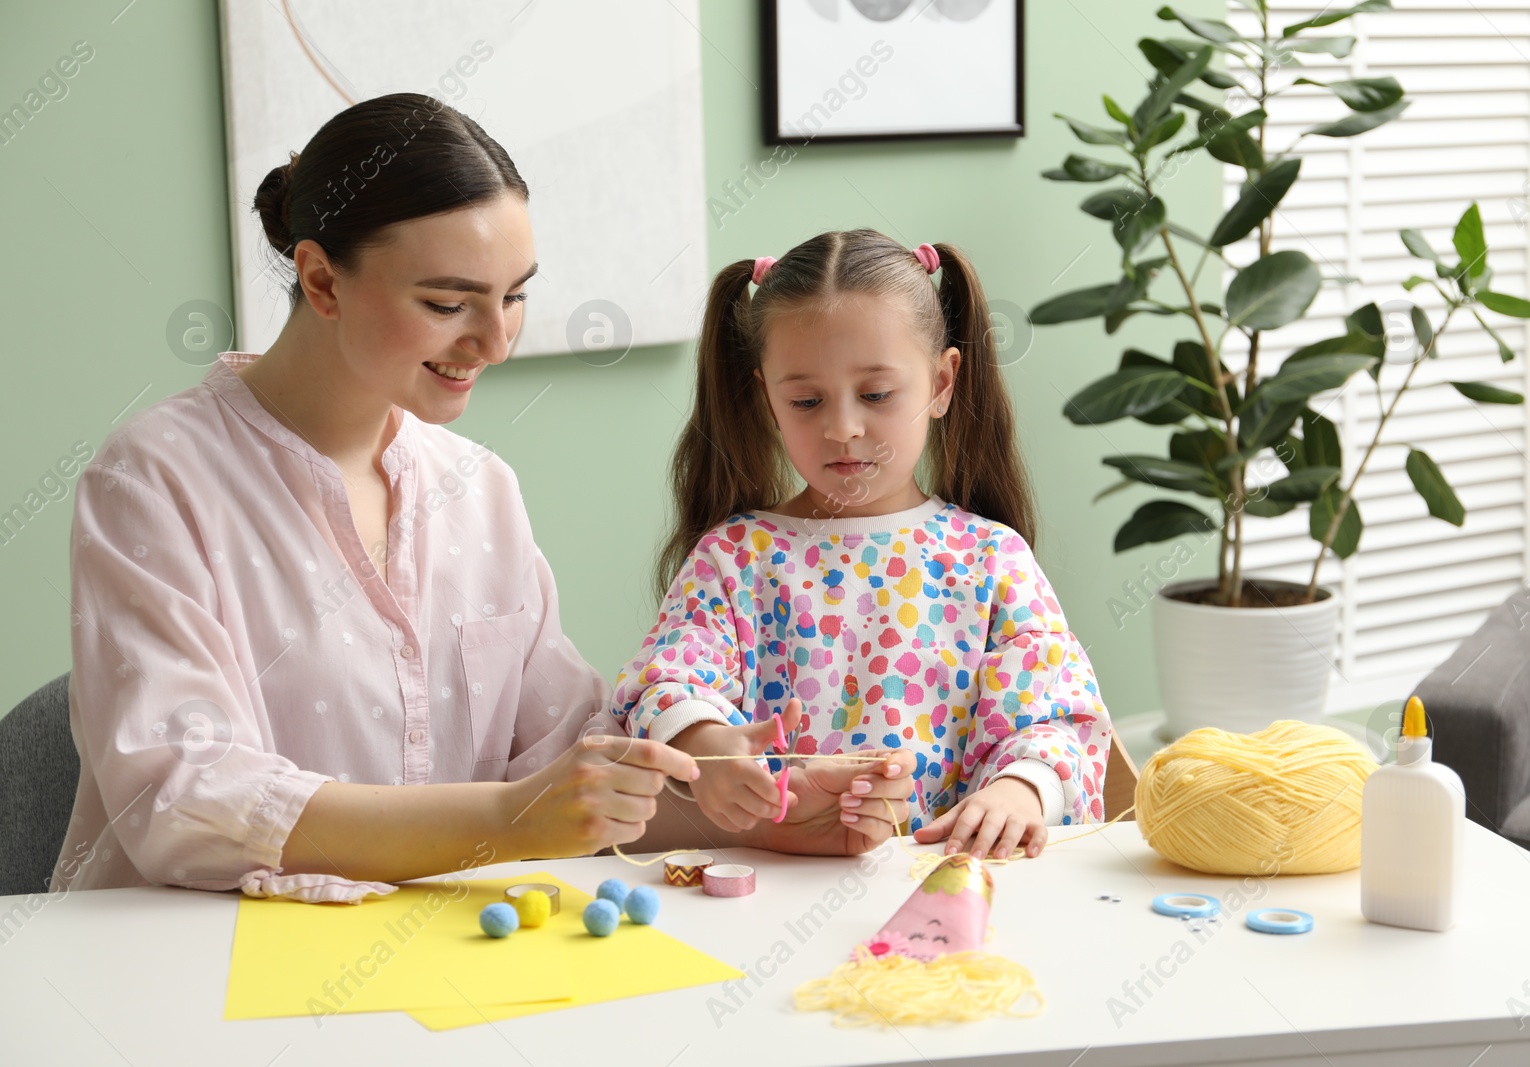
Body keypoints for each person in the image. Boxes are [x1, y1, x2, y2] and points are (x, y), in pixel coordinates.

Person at [52, 95, 906, 902]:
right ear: (320, 282)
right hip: (186, 979)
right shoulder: (156, 481)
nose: (495, 341)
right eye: (448, 302)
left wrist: (767, 810)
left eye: (516, 296)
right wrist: (508, 819)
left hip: (442, 966)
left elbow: (566, 759)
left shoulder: (478, 488)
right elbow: (184, 800)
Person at [612, 230, 1112, 862]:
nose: (842, 428)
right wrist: (712, 749)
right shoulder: (734, 558)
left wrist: (1020, 791)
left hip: (947, 891)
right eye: (805, 400)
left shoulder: (991, 560)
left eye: (876, 395)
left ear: (941, 383)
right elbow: (669, 679)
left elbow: (1056, 718)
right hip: (771, 888)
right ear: (766, 396)